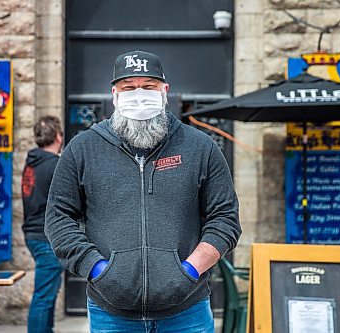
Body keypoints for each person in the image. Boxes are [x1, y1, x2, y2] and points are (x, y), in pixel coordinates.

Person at [45, 50, 241, 332]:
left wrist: (190, 270)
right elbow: (58, 219)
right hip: (110, 312)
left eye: (149, 87)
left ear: (165, 91)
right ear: (114, 94)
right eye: (129, 88)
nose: (139, 95)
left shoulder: (200, 147)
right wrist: (98, 270)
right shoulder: (82, 149)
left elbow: (225, 219)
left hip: (187, 310)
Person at [22, 115, 64, 333]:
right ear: (58, 136)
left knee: (50, 291)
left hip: (33, 234)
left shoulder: (31, 163)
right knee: (44, 296)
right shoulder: (55, 165)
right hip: (46, 237)